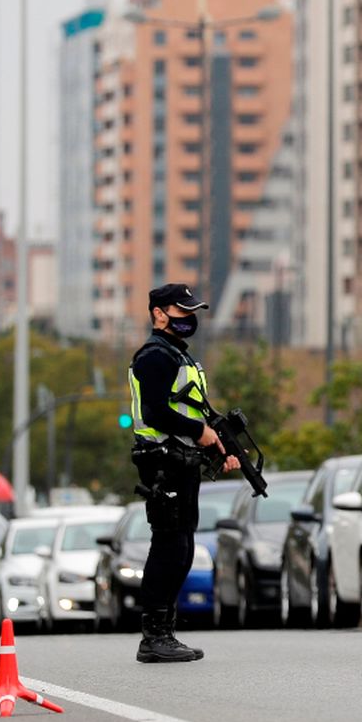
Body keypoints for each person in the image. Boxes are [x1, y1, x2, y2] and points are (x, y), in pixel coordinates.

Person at [127, 284, 239, 664]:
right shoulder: (155, 356)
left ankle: (166, 632)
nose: (189, 317)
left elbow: (191, 411)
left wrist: (216, 445)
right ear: (158, 313)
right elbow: (157, 412)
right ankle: (153, 636)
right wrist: (200, 433)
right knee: (170, 545)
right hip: (162, 459)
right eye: (181, 309)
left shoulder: (180, 356)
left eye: (193, 310)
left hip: (181, 458)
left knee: (182, 545)